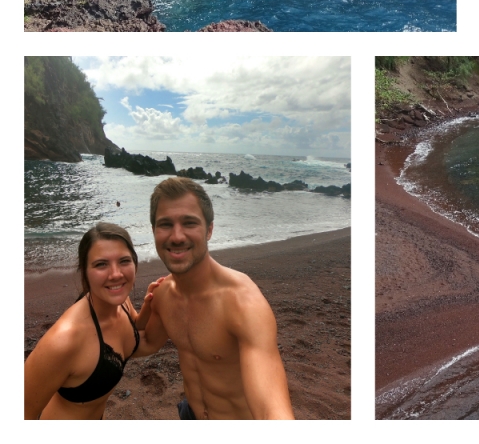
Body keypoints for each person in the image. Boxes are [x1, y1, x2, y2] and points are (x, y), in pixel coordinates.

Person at [142, 177, 295, 419]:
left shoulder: (241, 302)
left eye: (189, 222)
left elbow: (270, 409)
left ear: (210, 230)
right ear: (153, 231)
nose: (177, 236)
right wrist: (106, 312)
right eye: (165, 224)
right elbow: (146, 343)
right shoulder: (162, 294)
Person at [24, 223, 158, 419]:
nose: (116, 274)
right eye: (101, 264)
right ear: (84, 271)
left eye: (124, 261)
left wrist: (148, 305)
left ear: (135, 263)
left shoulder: (122, 303)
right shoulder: (63, 341)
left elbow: (135, 329)